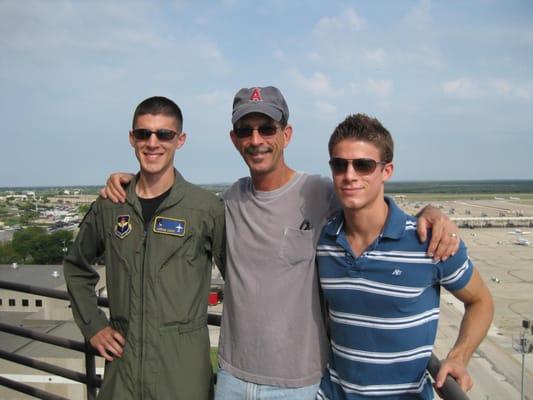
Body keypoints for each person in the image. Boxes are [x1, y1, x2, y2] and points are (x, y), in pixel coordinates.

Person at [102, 87, 460, 400]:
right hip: (232, 378)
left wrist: (430, 213)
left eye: (267, 128)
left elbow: (369, 200)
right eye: (246, 130)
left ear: (286, 134)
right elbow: (175, 198)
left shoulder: (319, 192)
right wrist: (133, 180)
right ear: (234, 139)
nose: (256, 139)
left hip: (300, 384)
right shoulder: (226, 203)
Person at [315, 114, 494, 400]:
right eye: (340, 164)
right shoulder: (323, 240)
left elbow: (481, 300)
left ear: (387, 171)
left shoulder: (429, 241)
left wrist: (459, 357)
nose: (349, 175)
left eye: (363, 165)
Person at [64, 96, 225, 400]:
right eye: (143, 133)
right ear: (132, 138)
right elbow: (76, 267)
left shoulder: (206, 209)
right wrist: (93, 325)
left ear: (181, 140)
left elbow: (239, 277)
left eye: (164, 134)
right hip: (121, 375)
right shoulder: (111, 206)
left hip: (182, 377)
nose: (153, 143)